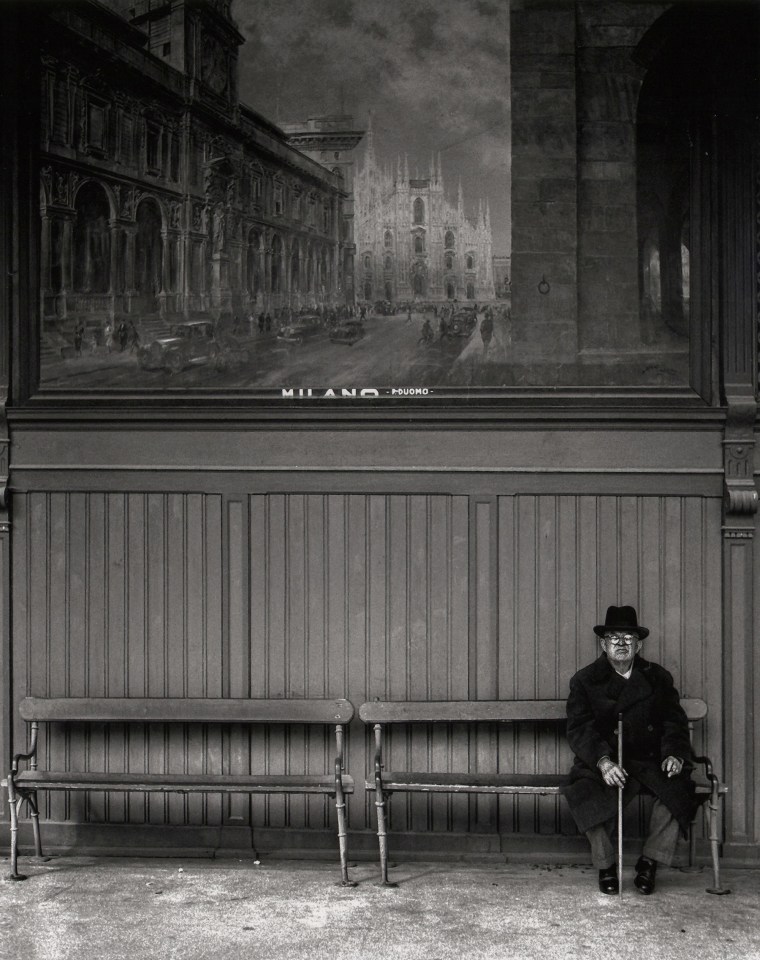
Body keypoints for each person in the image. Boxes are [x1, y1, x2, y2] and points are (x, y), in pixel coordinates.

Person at [561, 605, 696, 896]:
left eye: (628, 638)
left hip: (649, 759)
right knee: (584, 791)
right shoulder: (584, 681)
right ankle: (606, 864)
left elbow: (674, 720)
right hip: (606, 758)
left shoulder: (658, 677)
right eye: (614, 638)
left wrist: (673, 753)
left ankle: (650, 862)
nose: (621, 644)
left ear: (639, 644)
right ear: (603, 644)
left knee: (679, 783)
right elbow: (580, 728)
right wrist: (603, 762)